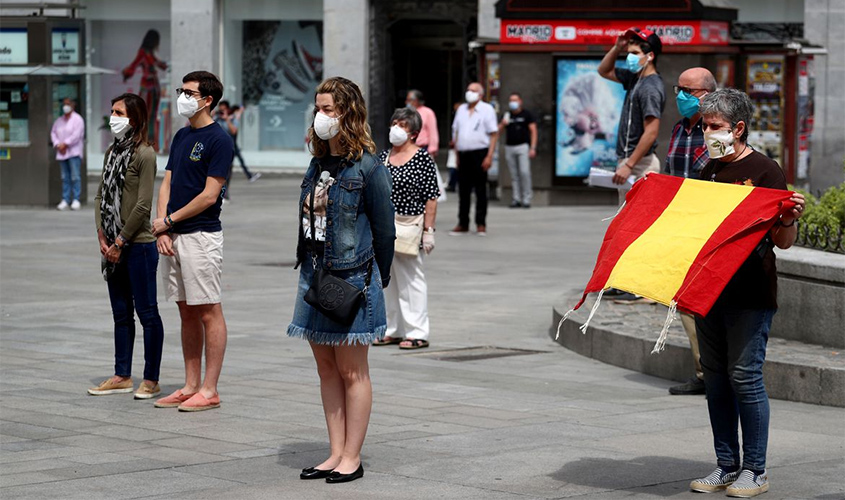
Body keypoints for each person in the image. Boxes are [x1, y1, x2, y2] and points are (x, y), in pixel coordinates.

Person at [688, 88, 805, 498]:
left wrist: (788, 219)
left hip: (750, 292)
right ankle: (726, 465)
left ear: (738, 128)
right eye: (704, 126)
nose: (707, 133)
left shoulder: (765, 171)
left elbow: (783, 240)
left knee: (745, 377)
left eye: (714, 127)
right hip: (709, 291)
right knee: (717, 379)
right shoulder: (706, 170)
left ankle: (755, 469)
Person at [288, 77, 394, 484]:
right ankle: (334, 452)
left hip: (352, 277)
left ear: (348, 113)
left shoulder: (368, 165)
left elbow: (385, 231)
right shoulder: (317, 163)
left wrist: (376, 280)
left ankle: (353, 456)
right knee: (326, 370)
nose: (321, 116)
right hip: (314, 274)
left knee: (353, 371)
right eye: (318, 108)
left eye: (329, 109)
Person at [150, 71, 233, 412]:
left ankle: (210, 389)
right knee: (185, 311)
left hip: (201, 236)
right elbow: (166, 183)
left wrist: (168, 220)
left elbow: (210, 195)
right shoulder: (182, 136)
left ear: (207, 99)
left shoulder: (219, 140)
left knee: (208, 310)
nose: (182, 96)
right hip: (174, 236)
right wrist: (163, 230)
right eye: (181, 90)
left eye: (189, 92)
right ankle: (190, 384)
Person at [88, 93, 165, 400]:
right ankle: (122, 375)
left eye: (118, 112)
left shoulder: (145, 154)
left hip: (138, 245)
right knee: (121, 313)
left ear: (133, 119)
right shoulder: (111, 153)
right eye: (111, 110)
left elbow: (144, 204)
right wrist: (102, 235)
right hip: (112, 245)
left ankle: (152, 378)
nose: (112, 116)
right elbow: (99, 197)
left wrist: (121, 240)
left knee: (148, 313)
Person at [664, 67, 717, 396]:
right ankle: (704, 370)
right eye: (679, 89)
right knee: (684, 301)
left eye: (690, 91)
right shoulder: (680, 129)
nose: (682, 96)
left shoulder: (719, 132)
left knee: (704, 303)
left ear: (709, 94)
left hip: (709, 229)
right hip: (681, 227)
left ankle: (711, 372)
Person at [373, 107, 439, 350]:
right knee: (386, 280)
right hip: (382, 227)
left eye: (402, 125)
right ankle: (392, 329)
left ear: (414, 132)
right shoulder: (382, 157)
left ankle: (417, 331)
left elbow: (431, 197)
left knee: (411, 279)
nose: (396, 129)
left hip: (409, 224)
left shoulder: (422, 159)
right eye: (394, 123)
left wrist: (429, 231)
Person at [597, 27, 665, 205]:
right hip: (632, 162)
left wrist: (629, 166)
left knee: (636, 222)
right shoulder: (636, 77)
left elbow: (651, 132)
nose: (629, 57)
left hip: (640, 164)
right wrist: (616, 48)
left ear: (650, 56)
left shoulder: (651, 88)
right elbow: (604, 71)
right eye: (628, 53)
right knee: (625, 219)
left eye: (635, 53)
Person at [449, 82, 498, 236]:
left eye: (473, 90)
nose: (469, 92)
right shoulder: (461, 110)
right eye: (468, 89)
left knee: (480, 189)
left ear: (481, 94)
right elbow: (455, 132)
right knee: (463, 190)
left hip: (480, 153)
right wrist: (456, 154)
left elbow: (494, 133)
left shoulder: (487, 109)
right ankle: (463, 222)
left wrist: (489, 156)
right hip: (463, 153)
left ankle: (481, 223)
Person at [123, 29, 168, 146]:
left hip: (153, 87)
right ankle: (144, 140)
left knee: (151, 115)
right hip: (148, 87)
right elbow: (134, 65)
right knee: (145, 114)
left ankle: (150, 140)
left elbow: (158, 64)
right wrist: (127, 73)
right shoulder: (143, 52)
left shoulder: (150, 53)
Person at [215, 100, 260, 203]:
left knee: (227, 173)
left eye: (224, 110)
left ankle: (225, 194)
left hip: (230, 148)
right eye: (220, 110)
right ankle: (221, 194)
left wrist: (227, 119)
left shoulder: (232, 119)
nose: (222, 112)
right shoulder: (216, 118)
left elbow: (234, 130)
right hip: (218, 150)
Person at [498, 92, 537, 208]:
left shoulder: (526, 115)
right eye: (511, 100)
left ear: (520, 101)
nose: (513, 103)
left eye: (515, 100)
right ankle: (516, 198)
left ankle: (527, 198)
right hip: (510, 147)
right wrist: (502, 124)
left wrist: (533, 147)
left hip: (523, 146)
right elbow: (498, 132)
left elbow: (533, 131)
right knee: (514, 175)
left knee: (524, 172)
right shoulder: (507, 115)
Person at [51, 98, 85, 211]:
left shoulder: (78, 119)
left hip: (73, 152)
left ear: (73, 106)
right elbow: (53, 132)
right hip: (62, 153)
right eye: (64, 104)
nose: (65, 106)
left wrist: (65, 144)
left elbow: (76, 135)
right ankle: (65, 199)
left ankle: (76, 199)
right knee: (65, 177)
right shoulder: (59, 120)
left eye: (68, 104)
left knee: (75, 176)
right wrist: (57, 144)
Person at [405, 90, 439, 158]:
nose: (407, 102)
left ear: (416, 100)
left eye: (409, 100)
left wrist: (432, 149)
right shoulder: (407, 113)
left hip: (423, 148)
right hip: (408, 149)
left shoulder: (428, 112)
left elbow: (433, 132)